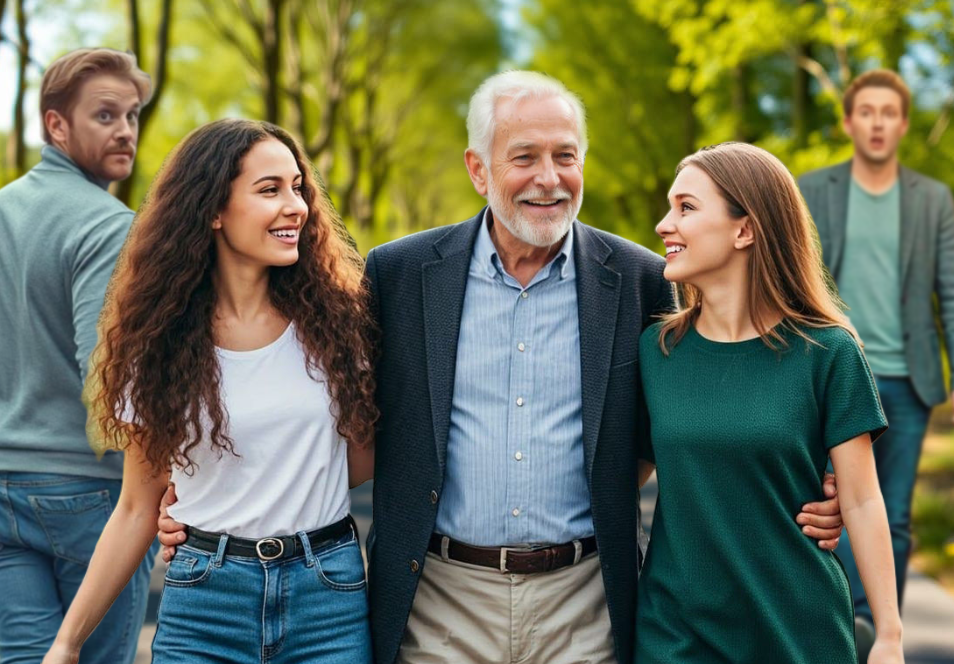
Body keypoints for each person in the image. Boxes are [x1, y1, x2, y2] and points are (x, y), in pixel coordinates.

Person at [159, 71, 844, 664]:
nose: (549, 178)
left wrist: (816, 466)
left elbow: (707, 395)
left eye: (566, 156)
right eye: (525, 157)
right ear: (478, 169)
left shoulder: (637, 279)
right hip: (441, 599)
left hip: (584, 600)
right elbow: (307, 390)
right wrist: (204, 491)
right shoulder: (399, 275)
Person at [41, 118, 378, 664]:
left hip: (327, 596)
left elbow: (360, 463)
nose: (296, 206)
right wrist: (67, 642)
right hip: (205, 600)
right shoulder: (157, 345)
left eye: (298, 187)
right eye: (270, 190)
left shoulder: (341, 325)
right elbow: (135, 507)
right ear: (213, 210)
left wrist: (269, 478)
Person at [636, 142, 904, 663]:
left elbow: (863, 500)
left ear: (745, 228)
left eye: (686, 208)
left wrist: (889, 636)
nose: (664, 225)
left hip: (798, 630)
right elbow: (627, 475)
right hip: (675, 633)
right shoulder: (656, 351)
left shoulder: (828, 351)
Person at [0, 48, 158, 664]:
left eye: (133, 116)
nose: (125, 131)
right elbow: (107, 376)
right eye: (105, 115)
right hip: (83, 494)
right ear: (55, 125)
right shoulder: (106, 225)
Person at [799, 69, 954, 652]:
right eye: (867, 111)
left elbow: (951, 290)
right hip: (830, 377)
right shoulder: (813, 191)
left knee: (893, 516)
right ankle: (834, 618)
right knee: (829, 507)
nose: (878, 122)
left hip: (906, 378)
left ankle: (876, 631)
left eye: (889, 112)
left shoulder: (933, 201)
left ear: (904, 123)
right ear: (849, 122)